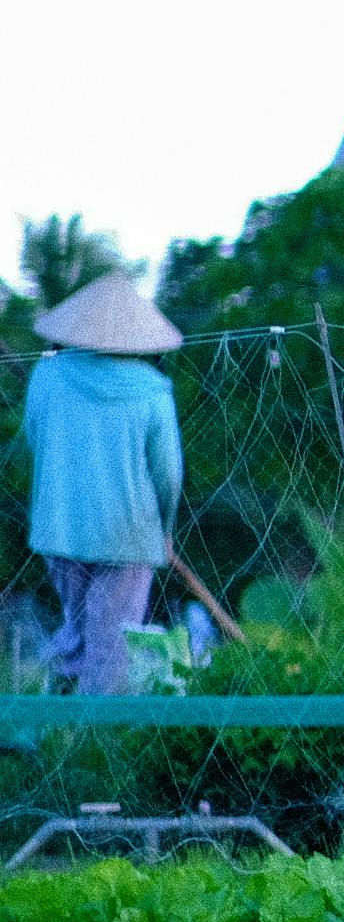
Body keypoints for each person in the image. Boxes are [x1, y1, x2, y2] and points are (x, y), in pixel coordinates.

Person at [23, 274, 187, 696]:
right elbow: (168, 473)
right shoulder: (154, 392)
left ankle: (51, 719)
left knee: (77, 629)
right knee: (111, 646)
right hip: (128, 534)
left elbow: (32, 438)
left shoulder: (47, 375)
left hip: (59, 526)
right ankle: (95, 743)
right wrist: (165, 530)